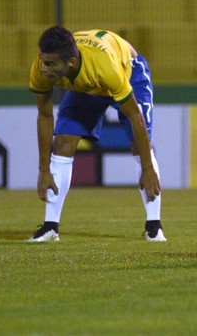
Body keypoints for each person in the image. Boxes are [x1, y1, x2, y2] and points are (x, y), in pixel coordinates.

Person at [27, 26, 166, 242]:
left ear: (71, 62)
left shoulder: (104, 67)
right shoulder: (42, 67)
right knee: (63, 141)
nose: (44, 68)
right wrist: (43, 169)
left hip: (128, 71)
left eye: (50, 64)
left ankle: (154, 227)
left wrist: (147, 168)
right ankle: (50, 227)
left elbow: (134, 115)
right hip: (87, 85)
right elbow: (45, 116)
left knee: (140, 146)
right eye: (43, 60)